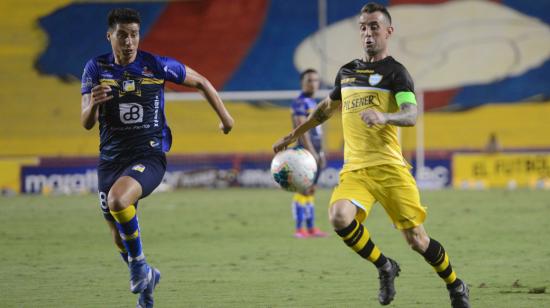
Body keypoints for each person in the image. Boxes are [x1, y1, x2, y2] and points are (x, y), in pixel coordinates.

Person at [273, 3, 469, 307]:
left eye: (374, 26)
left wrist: (385, 117)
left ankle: (455, 284)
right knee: (339, 217)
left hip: (390, 168)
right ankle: (385, 266)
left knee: (417, 239)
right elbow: (326, 109)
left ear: (388, 31)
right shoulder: (347, 72)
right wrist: (294, 135)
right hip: (356, 170)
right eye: (363, 27)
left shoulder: (396, 73)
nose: (368, 33)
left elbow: (410, 114)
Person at [80, 8, 234, 308]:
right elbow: (86, 122)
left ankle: (139, 266)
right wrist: (93, 106)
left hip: (148, 155)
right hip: (110, 160)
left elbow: (201, 80)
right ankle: (148, 286)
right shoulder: (96, 68)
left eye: (133, 34)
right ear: (109, 36)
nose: (128, 41)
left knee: (118, 201)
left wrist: (226, 118)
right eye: (122, 35)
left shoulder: (155, 65)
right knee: (117, 236)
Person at [290, 69, 328, 238]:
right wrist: (312, 151)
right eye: (309, 80)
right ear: (302, 82)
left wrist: (321, 152)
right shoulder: (299, 103)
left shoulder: (313, 103)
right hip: (305, 151)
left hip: (316, 150)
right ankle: (299, 229)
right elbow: (302, 130)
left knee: (311, 189)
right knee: (303, 190)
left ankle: (311, 228)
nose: (313, 83)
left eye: (316, 80)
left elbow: (318, 130)